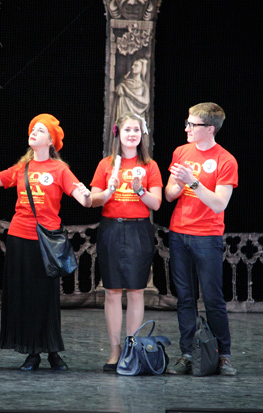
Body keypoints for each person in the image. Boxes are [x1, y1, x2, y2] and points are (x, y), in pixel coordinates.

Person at [0, 114, 92, 371]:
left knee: (46, 297)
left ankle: (52, 350)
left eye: (40, 130)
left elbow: (84, 201)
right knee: (24, 296)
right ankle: (31, 352)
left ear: (51, 141)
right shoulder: (22, 168)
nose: (34, 132)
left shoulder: (59, 170)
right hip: (20, 238)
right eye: (33, 129)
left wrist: (86, 195)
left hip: (47, 242)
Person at [164, 102, 238, 376]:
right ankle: (187, 353)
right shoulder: (181, 152)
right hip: (179, 233)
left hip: (207, 236)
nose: (187, 128)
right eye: (187, 123)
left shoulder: (225, 160)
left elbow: (219, 203)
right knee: (184, 298)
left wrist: (193, 181)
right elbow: (169, 194)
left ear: (209, 129)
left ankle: (223, 355)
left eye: (192, 125)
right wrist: (179, 184)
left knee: (212, 299)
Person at [90, 112, 162, 372]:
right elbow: (93, 199)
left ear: (142, 134)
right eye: (127, 130)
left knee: (136, 290)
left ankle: (132, 349)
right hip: (111, 228)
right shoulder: (106, 164)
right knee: (111, 291)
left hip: (138, 230)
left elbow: (156, 203)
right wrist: (109, 190)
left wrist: (139, 190)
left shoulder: (150, 165)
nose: (132, 134)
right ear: (117, 133)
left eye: (136, 130)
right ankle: (115, 350)